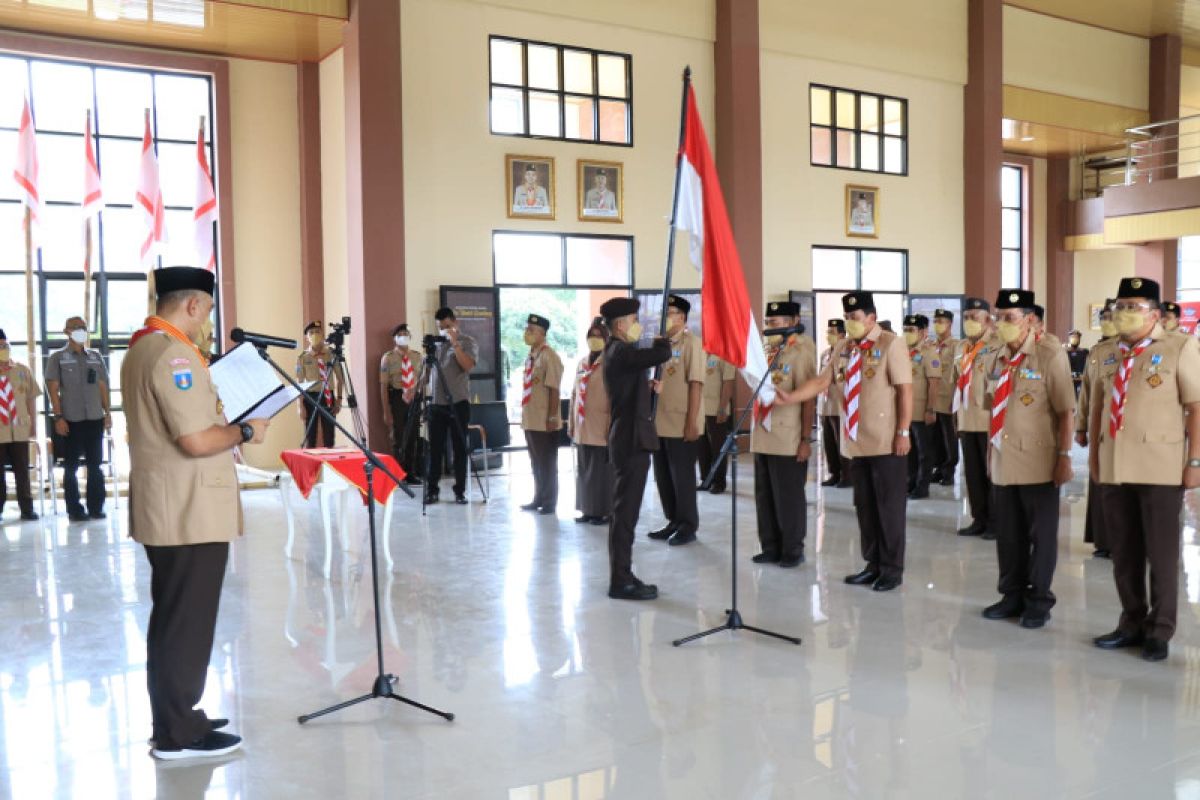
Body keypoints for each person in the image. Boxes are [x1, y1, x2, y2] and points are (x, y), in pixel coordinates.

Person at [122, 266, 269, 760]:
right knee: (186, 622)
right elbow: (195, 439)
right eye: (206, 310)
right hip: (187, 510)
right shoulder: (173, 354)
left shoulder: (144, 347)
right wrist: (246, 432)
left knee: (174, 618)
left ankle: (176, 718)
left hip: (171, 507)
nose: (208, 320)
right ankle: (178, 734)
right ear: (190, 305)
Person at [1089, 277, 1200, 662]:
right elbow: (1098, 407)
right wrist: (1093, 455)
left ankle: (1160, 629)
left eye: (1133, 307)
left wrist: (1195, 462)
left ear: (1155, 313)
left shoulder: (1180, 347)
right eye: (1121, 306)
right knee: (1124, 551)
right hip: (1116, 463)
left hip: (1161, 466)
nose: (1124, 314)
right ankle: (1131, 621)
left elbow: (1197, 407)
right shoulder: (1107, 352)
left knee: (1162, 553)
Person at [781, 290, 912, 592]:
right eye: (847, 318)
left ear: (871, 318)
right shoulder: (844, 347)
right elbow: (822, 381)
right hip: (855, 441)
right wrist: (792, 395)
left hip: (886, 442)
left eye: (855, 318)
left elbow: (905, 390)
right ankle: (872, 563)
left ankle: (892, 568)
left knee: (888, 508)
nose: (850, 323)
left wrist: (903, 432)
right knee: (865, 506)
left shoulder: (890, 344)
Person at [979, 289, 1075, 630]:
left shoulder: (1050, 354)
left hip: (1038, 459)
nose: (1001, 323)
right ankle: (1011, 595)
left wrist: (1064, 456)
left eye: (1010, 317)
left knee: (1041, 536)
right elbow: (993, 406)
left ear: (1030, 320)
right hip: (1004, 458)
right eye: (999, 316)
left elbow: (1066, 411)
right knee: (1009, 534)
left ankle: (1039, 600)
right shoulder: (996, 355)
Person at [601, 297, 671, 600]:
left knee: (625, 512)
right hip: (631, 439)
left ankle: (624, 573)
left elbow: (631, 383)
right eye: (633, 319)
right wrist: (662, 341)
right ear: (619, 325)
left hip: (630, 436)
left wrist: (647, 388)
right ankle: (621, 581)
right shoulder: (619, 351)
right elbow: (662, 353)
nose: (636, 325)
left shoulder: (620, 352)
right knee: (625, 513)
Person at [749, 301, 816, 567]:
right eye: (768, 323)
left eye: (776, 323)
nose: (770, 328)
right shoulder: (767, 351)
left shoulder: (801, 351)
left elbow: (808, 398)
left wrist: (805, 439)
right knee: (764, 495)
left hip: (788, 437)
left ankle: (792, 549)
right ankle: (770, 546)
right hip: (762, 434)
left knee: (788, 497)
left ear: (793, 322)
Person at [649, 294, 706, 547]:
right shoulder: (658, 344)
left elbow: (696, 385)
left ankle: (687, 525)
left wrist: (692, 422)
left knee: (682, 477)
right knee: (663, 476)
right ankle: (672, 520)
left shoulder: (692, 344)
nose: (665, 318)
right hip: (658, 421)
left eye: (670, 313)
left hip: (681, 421)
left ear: (682, 318)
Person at [46, 316, 111, 522]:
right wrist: (58, 417)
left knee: (95, 466)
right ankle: (74, 509)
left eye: (84, 327)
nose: (81, 330)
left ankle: (96, 507)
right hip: (71, 420)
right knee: (71, 467)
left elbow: (102, 385)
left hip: (94, 418)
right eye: (76, 328)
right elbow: (53, 390)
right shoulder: (58, 357)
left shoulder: (95, 356)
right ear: (66, 331)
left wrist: (107, 412)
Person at [951, 297, 1001, 539]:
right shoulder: (961, 347)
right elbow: (956, 383)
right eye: (967, 317)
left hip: (987, 419)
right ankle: (978, 518)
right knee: (972, 474)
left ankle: (995, 520)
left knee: (990, 472)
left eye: (975, 317)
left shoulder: (997, 345)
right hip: (966, 417)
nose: (970, 321)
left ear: (988, 320)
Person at [1076, 298, 1116, 558]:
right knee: (1100, 483)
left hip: (1121, 430)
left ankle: (1123, 542)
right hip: (1098, 428)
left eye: (1110, 317)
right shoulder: (1096, 352)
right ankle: (1103, 540)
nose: (1106, 322)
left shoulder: (1130, 350)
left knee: (1119, 487)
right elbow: (1086, 394)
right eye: (1103, 317)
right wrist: (1081, 426)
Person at [427, 307, 477, 504]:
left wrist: (455, 343)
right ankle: (432, 490)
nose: (444, 330)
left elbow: (468, 366)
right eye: (441, 327)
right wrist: (413, 390)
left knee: (459, 449)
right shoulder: (436, 346)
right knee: (435, 449)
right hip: (436, 404)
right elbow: (428, 372)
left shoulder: (468, 342)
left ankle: (460, 491)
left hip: (458, 403)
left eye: (447, 326)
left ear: (455, 323)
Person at [519, 314, 564, 515]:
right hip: (530, 418)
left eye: (532, 330)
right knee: (535, 461)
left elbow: (554, 389)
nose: (527, 333)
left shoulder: (549, 356)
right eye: (527, 329)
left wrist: (553, 417)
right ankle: (538, 497)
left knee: (546, 462)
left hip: (544, 419)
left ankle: (549, 501)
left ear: (542, 333)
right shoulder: (532, 355)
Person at [569, 319, 613, 525]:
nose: (594, 340)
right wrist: (571, 422)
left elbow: (615, 398)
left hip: (601, 425)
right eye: (591, 336)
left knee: (601, 473)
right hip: (582, 426)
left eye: (598, 336)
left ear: (606, 339)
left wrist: (612, 426)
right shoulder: (582, 362)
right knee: (584, 471)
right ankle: (587, 509)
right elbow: (574, 394)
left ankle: (603, 511)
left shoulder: (610, 363)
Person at [0, 330, 39, 521]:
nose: (2, 348)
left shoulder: (22, 370)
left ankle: (27, 508)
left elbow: (31, 399)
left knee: (22, 470)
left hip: (20, 428)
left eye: (4, 345)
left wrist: (34, 426)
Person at [903, 314, 942, 499]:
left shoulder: (928, 352)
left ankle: (922, 486)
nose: (907, 333)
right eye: (905, 330)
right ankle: (910, 481)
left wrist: (930, 409)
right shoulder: (902, 351)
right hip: (906, 411)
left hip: (921, 411)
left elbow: (934, 383)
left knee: (924, 452)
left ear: (922, 332)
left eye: (911, 330)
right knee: (909, 451)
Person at [379, 323, 421, 484]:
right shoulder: (388, 358)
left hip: (414, 398)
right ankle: (398, 473)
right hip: (396, 397)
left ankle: (411, 472)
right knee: (398, 436)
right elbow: (383, 386)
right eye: (400, 334)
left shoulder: (417, 356)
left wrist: (416, 392)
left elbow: (422, 379)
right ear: (394, 338)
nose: (403, 336)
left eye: (405, 333)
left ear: (409, 337)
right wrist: (386, 411)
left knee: (413, 435)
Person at [295, 321, 342, 448]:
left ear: (322, 334)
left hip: (328, 396)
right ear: (307, 337)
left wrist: (339, 399)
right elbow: (299, 383)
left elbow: (340, 378)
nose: (315, 335)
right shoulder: (303, 357)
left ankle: (329, 463)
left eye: (317, 332)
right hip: (310, 397)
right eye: (311, 333)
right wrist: (300, 406)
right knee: (310, 435)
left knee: (329, 434)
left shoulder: (331, 354)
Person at [697, 350, 736, 493]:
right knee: (702, 446)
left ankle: (719, 482)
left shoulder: (725, 354)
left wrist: (722, 408)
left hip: (716, 409)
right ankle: (705, 480)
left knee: (718, 447)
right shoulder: (702, 353)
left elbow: (728, 383)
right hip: (700, 408)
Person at [819, 319, 851, 488]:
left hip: (841, 404)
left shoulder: (848, 353)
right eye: (828, 331)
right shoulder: (825, 354)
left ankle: (847, 475)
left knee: (842, 442)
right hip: (826, 404)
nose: (829, 335)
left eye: (832, 332)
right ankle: (834, 473)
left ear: (842, 335)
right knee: (829, 442)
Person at [929, 309, 959, 486]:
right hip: (933, 401)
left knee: (950, 439)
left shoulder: (956, 346)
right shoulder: (931, 345)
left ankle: (949, 471)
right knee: (936, 440)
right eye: (935, 321)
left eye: (941, 321)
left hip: (948, 399)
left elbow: (958, 375)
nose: (937, 324)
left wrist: (956, 401)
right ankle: (938, 469)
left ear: (949, 324)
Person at [1064, 328, 1089, 397]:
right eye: (1072, 337)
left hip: (1081, 380)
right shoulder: (1065, 352)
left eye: (1076, 337)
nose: (1074, 339)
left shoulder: (1084, 352)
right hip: (1068, 380)